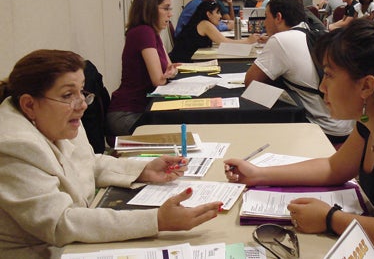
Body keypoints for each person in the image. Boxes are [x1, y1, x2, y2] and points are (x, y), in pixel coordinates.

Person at [226, 14, 374, 258]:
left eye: (330, 75)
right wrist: (258, 174)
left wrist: (330, 218)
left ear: (367, 86)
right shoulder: (372, 116)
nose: (322, 87)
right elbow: (335, 167)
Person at [0, 49, 223, 259]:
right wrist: (157, 220)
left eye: (82, 91)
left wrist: (143, 169)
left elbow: (87, 163)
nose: (82, 105)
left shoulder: (53, 119)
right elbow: (60, 223)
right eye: (68, 94)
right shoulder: (14, 145)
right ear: (29, 105)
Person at [245, 0, 353, 143]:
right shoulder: (318, 33)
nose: (264, 23)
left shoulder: (281, 40)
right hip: (346, 126)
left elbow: (250, 82)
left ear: (278, 17)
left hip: (322, 129)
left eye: (266, 16)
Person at [107, 0, 181, 136]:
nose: (170, 14)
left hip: (140, 108)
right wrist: (168, 74)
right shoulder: (143, 32)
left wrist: (170, 72)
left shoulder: (153, 33)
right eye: (166, 9)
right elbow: (159, 81)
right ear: (150, 9)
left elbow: (169, 68)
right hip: (128, 114)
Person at [169, 0, 260, 63]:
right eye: (217, 13)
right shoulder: (205, 24)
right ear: (208, 14)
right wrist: (248, 41)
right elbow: (224, 42)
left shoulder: (200, 22)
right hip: (183, 63)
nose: (220, 16)